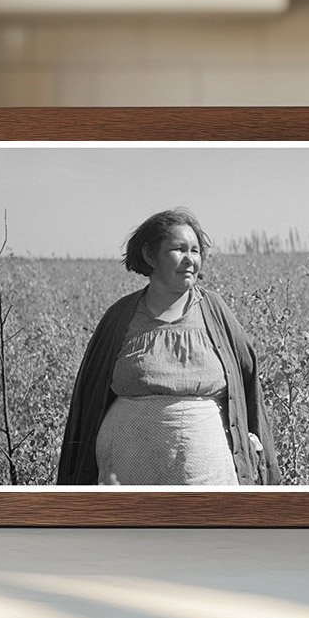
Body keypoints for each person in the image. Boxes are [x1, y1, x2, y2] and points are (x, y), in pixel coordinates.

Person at [57, 208, 281, 486]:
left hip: (207, 475)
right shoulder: (119, 317)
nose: (190, 260)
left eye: (195, 251)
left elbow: (247, 384)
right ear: (150, 255)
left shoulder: (216, 311)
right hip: (125, 471)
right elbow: (89, 398)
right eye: (179, 249)